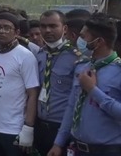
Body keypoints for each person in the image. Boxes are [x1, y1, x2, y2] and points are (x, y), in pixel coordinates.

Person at [48, 15, 121, 156]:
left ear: (99, 42)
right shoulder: (82, 67)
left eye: (83, 37)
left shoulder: (118, 71)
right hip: (76, 148)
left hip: (107, 150)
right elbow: (71, 107)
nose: (78, 41)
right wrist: (58, 143)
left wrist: (93, 90)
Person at [0, 12, 39, 156]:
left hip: (13, 129)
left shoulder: (25, 56)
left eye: (7, 28)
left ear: (16, 32)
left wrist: (28, 128)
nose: (2, 31)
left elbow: (32, 94)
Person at [34, 11, 79, 155]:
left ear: (64, 29)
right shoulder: (39, 55)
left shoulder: (76, 58)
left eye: (53, 26)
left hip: (62, 127)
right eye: (43, 26)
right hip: (39, 125)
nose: (47, 30)